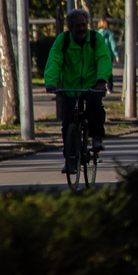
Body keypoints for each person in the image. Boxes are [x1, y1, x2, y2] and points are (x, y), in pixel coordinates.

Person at [44, 9, 112, 166]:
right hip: (70, 87)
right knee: (67, 121)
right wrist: (51, 82)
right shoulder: (63, 40)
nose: (82, 29)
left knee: (94, 106)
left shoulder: (96, 39)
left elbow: (104, 59)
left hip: (92, 85)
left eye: (84, 25)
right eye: (78, 26)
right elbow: (54, 61)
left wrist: (101, 80)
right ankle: (70, 157)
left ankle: (96, 138)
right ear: (70, 27)